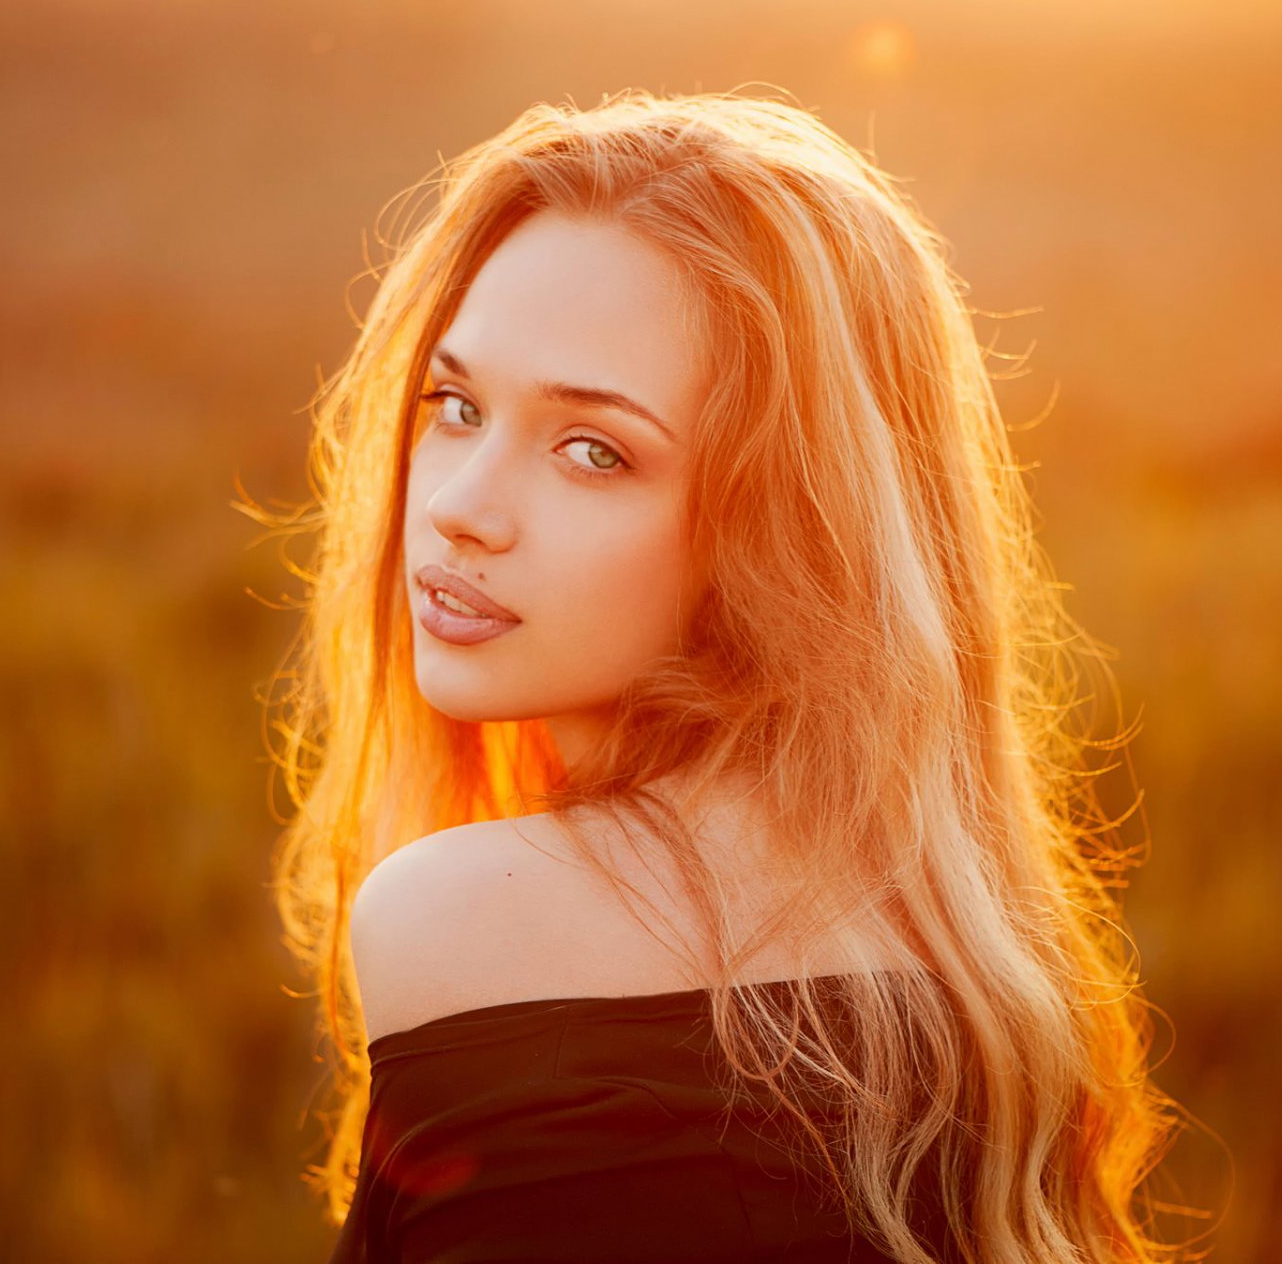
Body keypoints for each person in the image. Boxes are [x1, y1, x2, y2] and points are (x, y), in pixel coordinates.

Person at [260, 89, 1191, 1263]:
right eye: (454, 405)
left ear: (787, 530)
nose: (456, 507)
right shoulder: (967, 960)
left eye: (593, 450)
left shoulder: (461, 917)